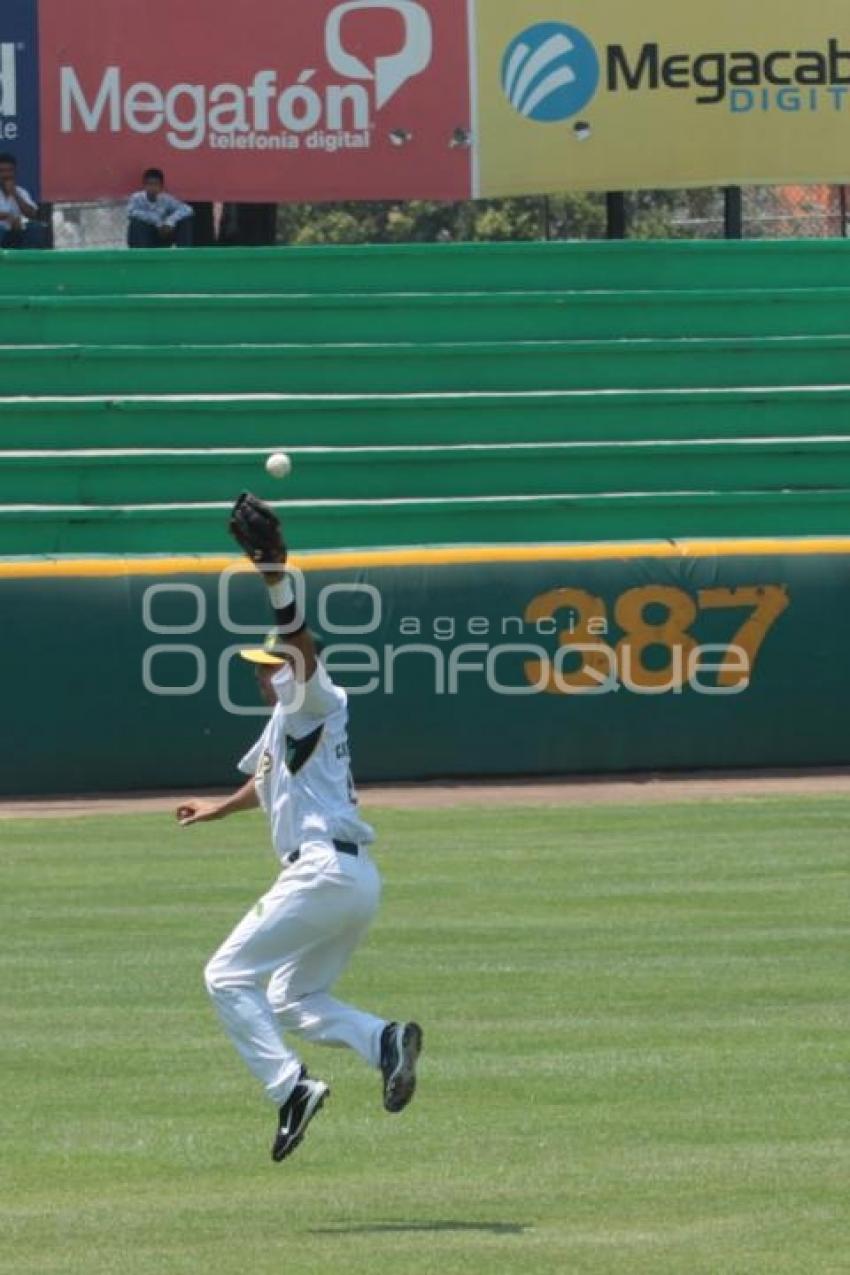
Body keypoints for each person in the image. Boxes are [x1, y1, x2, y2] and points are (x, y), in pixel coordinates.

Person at [176, 493, 422, 1163]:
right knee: (291, 994)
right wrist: (216, 810)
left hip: (319, 869)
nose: (265, 677)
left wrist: (274, 573)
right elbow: (264, 782)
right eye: (259, 671)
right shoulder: (284, 723)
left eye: (270, 666)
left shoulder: (316, 697)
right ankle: (384, 1040)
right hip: (351, 878)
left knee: (226, 976)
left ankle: (290, 1088)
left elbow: (301, 646)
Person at [126, 168, 194, 248]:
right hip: (144, 236)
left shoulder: (166, 199)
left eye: (156, 184)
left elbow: (187, 209)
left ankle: (184, 253)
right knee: (137, 223)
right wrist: (156, 221)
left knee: (185, 220)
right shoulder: (137, 198)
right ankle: (142, 255)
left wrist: (169, 222)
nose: (152, 188)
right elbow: (131, 213)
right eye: (150, 184)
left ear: (161, 186)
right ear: (144, 185)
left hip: (162, 234)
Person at [0, 153, 47, 249]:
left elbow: (32, 214)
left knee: (35, 228)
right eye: (2, 171)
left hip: (17, 230)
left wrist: (15, 194)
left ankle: (29, 261)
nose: (6, 175)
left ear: (15, 172)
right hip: (2, 231)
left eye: (10, 170)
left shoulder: (20, 191)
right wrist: (7, 216)